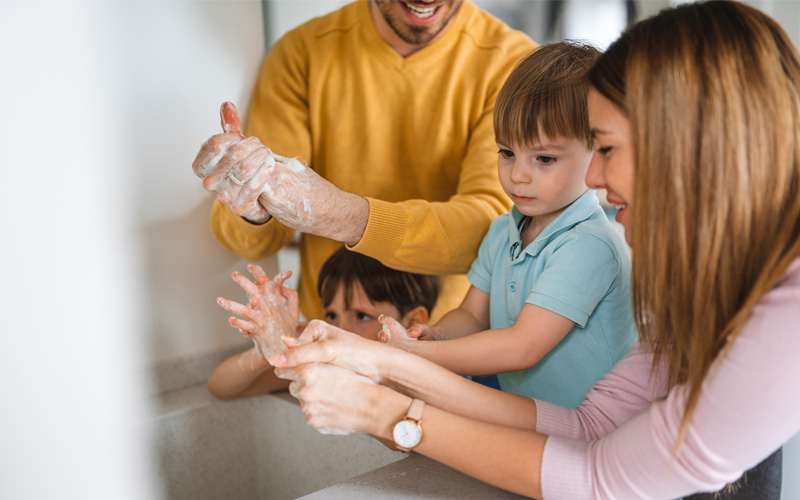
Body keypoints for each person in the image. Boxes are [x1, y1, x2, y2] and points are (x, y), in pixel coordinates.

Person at [263, 2, 800, 498]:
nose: (594, 178)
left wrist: (390, 397)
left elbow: (596, 475)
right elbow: (590, 428)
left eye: (605, 148)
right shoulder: (709, 297)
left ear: (692, 148)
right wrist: (388, 370)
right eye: (508, 153)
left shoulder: (783, 318)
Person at [191, 0, 537, 325]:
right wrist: (252, 202)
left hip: (454, 342)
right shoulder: (301, 54)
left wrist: (339, 214)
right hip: (333, 338)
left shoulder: (515, 65)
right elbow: (252, 241)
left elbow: (493, 232)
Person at [380, 41, 636, 407]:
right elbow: (471, 315)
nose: (517, 175)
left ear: (599, 152)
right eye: (507, 152)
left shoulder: (589, 245)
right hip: (534, 421)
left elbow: (522, 346)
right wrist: (434, 335)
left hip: (598, 433)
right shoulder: (503, 232)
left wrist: (413, 356)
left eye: (544, 158)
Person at [207, 247, 439, 400]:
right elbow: (219, 388)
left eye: (361, 316)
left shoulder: (427, 377)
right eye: (331, 316)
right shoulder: (329, 366)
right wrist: (270, 352)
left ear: (414, 321)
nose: (341, 329)